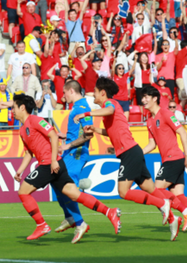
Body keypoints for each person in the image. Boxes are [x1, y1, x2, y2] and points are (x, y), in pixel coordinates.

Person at [12, 93, 121, 242]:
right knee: (75, 195)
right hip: (54, 165)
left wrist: (53, 161)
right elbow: (29, 153)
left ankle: (41, 225)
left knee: (23, 192)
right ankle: (110, 212)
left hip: (48, 164)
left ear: (22, 107)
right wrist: (20, 170)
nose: (12, 110)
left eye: (13, 107)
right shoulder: (23, 130)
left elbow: (54, 136)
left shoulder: (36, 120)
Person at [74, 78, 173, 228]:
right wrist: (94, 129)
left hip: (129, 152)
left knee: (123, 192)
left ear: (102, 92)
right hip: (134, 151)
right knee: (149, 188)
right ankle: (173, 219)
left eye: (95, 92)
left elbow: (109, 110)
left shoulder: (110, 104)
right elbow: (111, 132)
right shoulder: (109, 108)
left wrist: (86, 114)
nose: (93, 96)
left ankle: (162, 203)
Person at [141, 86, 187, 237]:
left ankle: (186, 213)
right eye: (142, 97)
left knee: (156, 189)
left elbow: (182, 132)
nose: (143, 100)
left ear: (155, 98)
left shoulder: (166, 113)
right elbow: (152, 145)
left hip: (175, 158)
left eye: (146, 97)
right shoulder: (149, 121)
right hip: (168, 159)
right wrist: (137, 153)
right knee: (178, 195)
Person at [52, 81, 93, 239]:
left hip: (76, 153)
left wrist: (68, 144)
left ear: (71, 90)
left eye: (64, 93)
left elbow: (88, 135)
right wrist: (66, 136)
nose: (63, 97)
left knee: (68, 188)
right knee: (55, 180)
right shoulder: (75, 108)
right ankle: (70, 217)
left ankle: (80, 222)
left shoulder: (82, 109)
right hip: (70, 153)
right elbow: (78, 132)